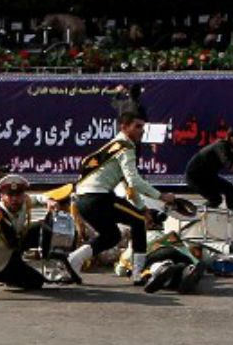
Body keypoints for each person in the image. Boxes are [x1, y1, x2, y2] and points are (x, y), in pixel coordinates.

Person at [66, 113, 177, 284]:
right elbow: (134, 181)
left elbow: (129, 188)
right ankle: (137, 273)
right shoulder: (126, 147)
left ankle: (74, 259)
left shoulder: (112, 147)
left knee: (111, 236)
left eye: (143, 127)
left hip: (82, 201)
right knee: (139, 222)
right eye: (137, 127)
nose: (141, 131)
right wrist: (161, 196)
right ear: (124, 127)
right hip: (98, 198)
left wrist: (142, 208)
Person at [0, 174, 57, 301]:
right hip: (0, 265)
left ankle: (52, 261)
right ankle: (4, 280)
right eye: (10, 195)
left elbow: (37, 198)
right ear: (2, 196)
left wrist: (48, 200)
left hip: (13, 248)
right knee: (36, 282)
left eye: (18, 195)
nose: (14, 199)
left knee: (44, 227)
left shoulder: (23, 203)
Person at [184, 125, 233, 216]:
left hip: (208, 175)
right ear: (232, 138)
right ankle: (196, 215)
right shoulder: (221, 147)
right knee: (216, 199)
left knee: (228, 188)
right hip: (194, 177)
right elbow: (232, 167)